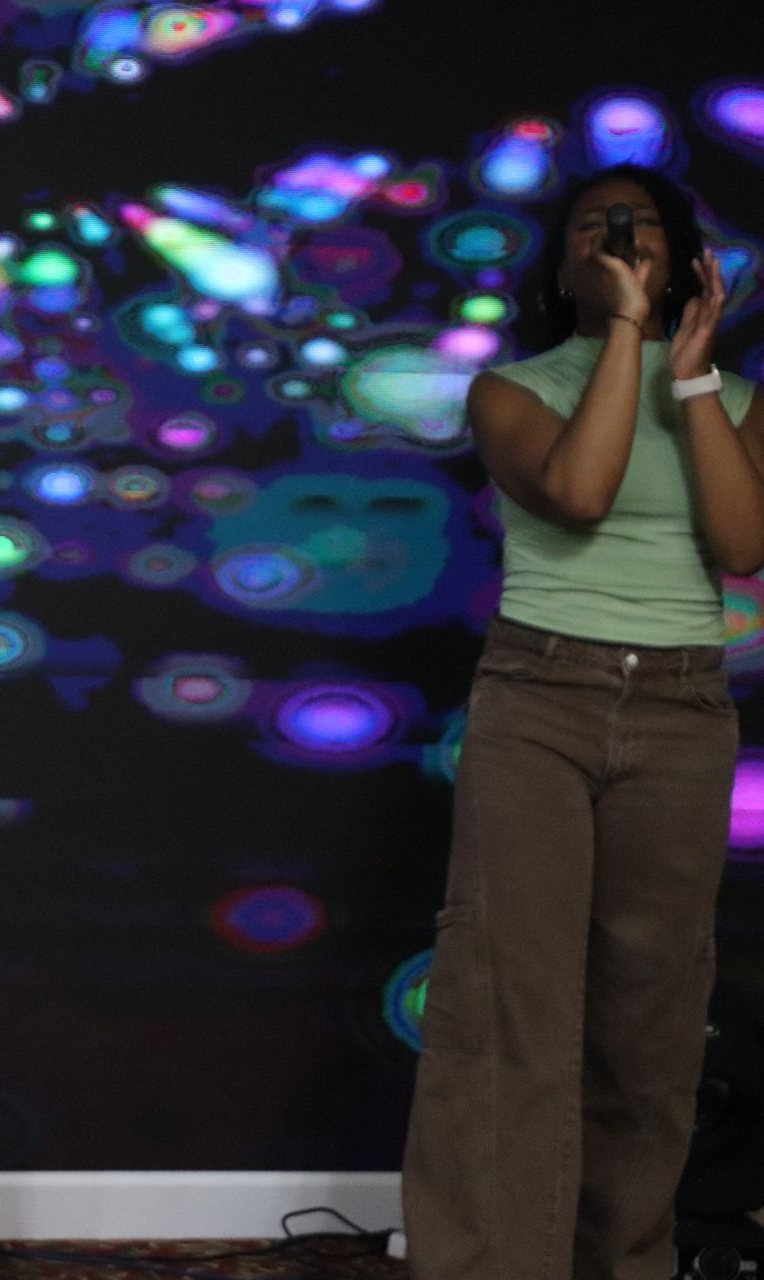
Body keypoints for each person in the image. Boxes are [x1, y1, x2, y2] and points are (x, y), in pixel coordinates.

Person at [401, 163, 764, 1280]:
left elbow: (744, 546)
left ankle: (626, 1262)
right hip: (538, 697)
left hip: (683, 707)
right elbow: (579, 491)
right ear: (563, 264)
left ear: (684, 254)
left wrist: (690, 373)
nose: (620, 241)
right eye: (595, 230)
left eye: (643, 227)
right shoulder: (510, 387)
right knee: (512, 1004)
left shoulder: (738, 396)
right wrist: (622, 337)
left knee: (651, 1016)